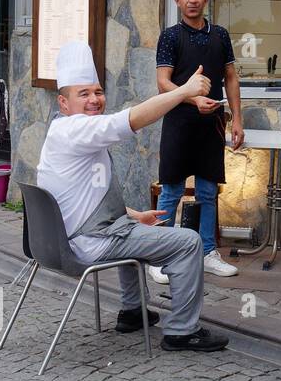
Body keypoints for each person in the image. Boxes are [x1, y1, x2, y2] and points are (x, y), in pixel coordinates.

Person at [36, 41, 228, 352]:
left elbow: (80, 197)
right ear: (63, 103)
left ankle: (132, 311)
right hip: (88, 244)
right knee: (189, 242)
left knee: (131, 228)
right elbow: (130, 119)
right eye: (83, 94)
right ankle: (181, 330)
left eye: (98, 92)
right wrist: (184, 91)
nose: (94, 99)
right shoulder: (77, 130)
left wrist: (134, 214)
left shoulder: (59, 132)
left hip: (65, 241)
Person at [146, 0, 243, 283]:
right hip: (178, 120)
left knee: (207, 191)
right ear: (177, 0)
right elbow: (163, 83)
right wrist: (191, 98)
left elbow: (230, 77)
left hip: (212, 123)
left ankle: (208, 252)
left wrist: (237, 119)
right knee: (171, 190)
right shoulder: (171, 36)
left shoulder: (221, 35)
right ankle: (161, 257)